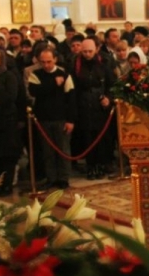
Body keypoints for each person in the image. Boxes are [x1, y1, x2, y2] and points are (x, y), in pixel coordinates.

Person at [28, 48, 77, 190]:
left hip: (61, 118)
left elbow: (71, 99)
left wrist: (71, 120)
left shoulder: (64, 75)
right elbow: (34, 91)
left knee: (63, 149)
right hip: (43, 118)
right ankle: (51, 178)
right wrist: (53, 84)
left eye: (49, 61)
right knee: (47, 151)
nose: (46, 65)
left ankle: (63, 178)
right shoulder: (35, 74)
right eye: (43, 62)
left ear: (55, 59)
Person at [71, 38, 115, 179]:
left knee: (101, 138)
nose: (87, 54)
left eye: (90, 51)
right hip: (83, 106)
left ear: (96, 49)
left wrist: (108, 98)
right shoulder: (75, 65)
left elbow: (112, 85)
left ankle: (101, 165)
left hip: (100, 107)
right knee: (87, 138)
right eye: (84, 51)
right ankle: (91, 166)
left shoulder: (104, 64)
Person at [0, 48, 23, 196]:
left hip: (6, 121)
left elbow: (11, 97)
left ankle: (6, 184)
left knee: (7, 155)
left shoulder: (9, 76)